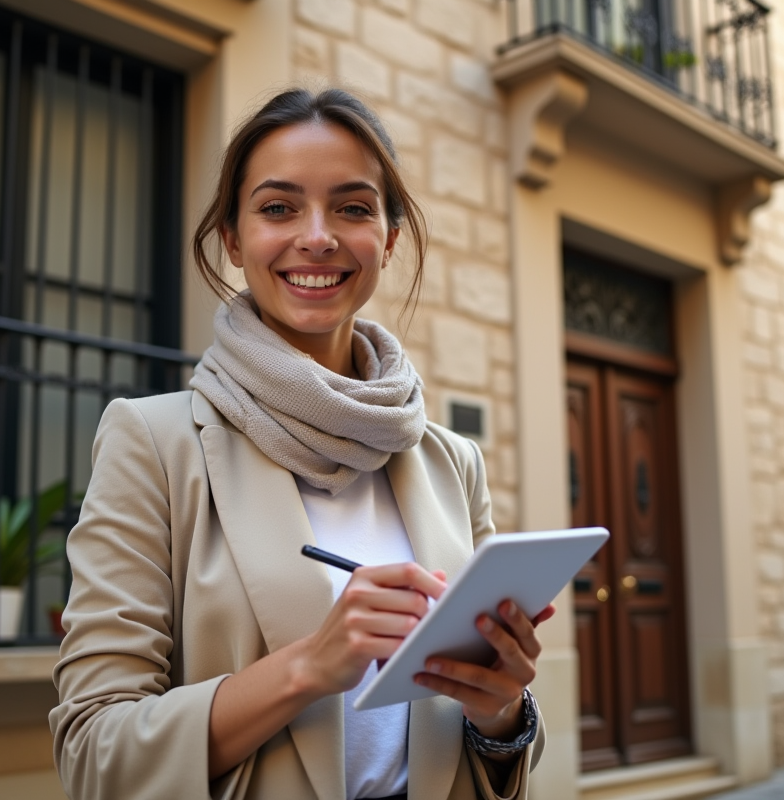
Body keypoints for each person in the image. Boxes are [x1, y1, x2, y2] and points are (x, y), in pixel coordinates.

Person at [49, 87, 554, 800]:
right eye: (278, 207)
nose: (317, 236)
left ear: (389, 237)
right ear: (232, 237)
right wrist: (309, 668)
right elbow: (93, 751)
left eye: (352, 207)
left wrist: (498, 708)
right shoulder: (154, 443)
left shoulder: (451, 463)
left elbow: (489, 754)